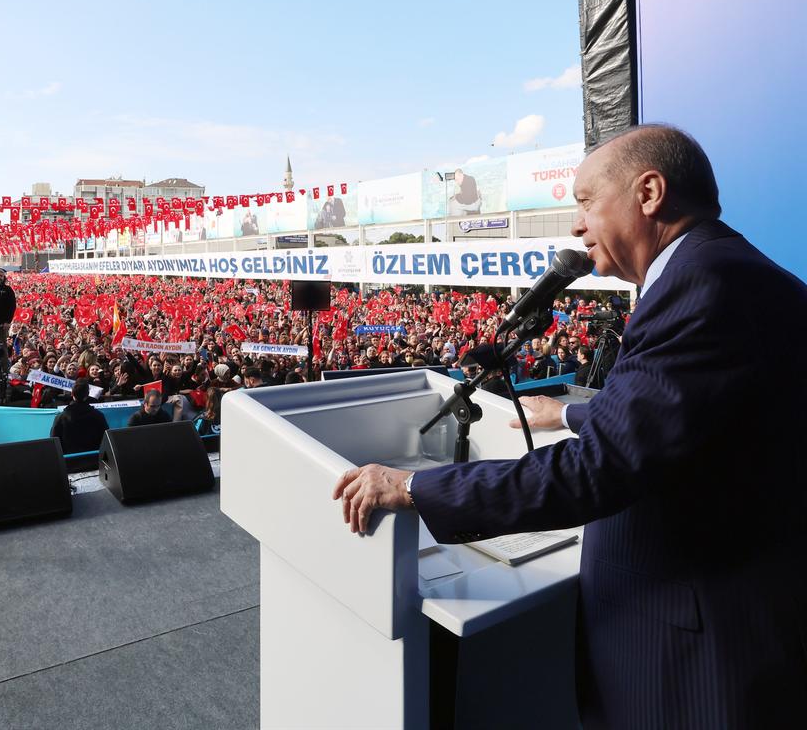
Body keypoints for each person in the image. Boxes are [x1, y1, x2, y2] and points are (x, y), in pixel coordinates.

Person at [331, 125, 807, 727]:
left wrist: (413, 487)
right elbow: (692, 419)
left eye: (585, 202)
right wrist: (571, 413)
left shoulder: (701, 287)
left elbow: (602, 468)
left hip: (698, 655)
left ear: (650, 192)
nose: (577, 226)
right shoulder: (727, 271)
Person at [48, 378, 109, 454]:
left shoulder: (60, 418)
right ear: (87, 394)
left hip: (69, 462)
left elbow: (54, 442)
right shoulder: (98, 416)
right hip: (93, 460)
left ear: (72, 393)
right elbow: (106, 440)